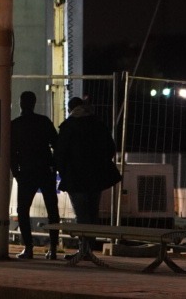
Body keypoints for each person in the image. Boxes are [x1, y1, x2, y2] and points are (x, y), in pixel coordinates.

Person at [54, 96, 120, 260]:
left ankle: (84, 249)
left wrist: (64, 172)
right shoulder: (97, 125)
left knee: (81, 214)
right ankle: (89, 248)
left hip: (76, 178)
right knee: (92, 213)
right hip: (95, 177)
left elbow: (59, 154)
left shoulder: (68, 126)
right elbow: (111, 148)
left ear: (70, 109)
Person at [9, 90, 59, 260]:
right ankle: (53, 249)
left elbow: (11, 152)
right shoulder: (43, 122)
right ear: (34, 103)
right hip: (45, 170)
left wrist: (16, 172)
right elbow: (56, 144)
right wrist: (53, 165)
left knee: (23, 210)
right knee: (52, 209)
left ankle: (28, 248)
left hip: (27, 171)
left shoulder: (15, 124)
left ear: (20, 103)